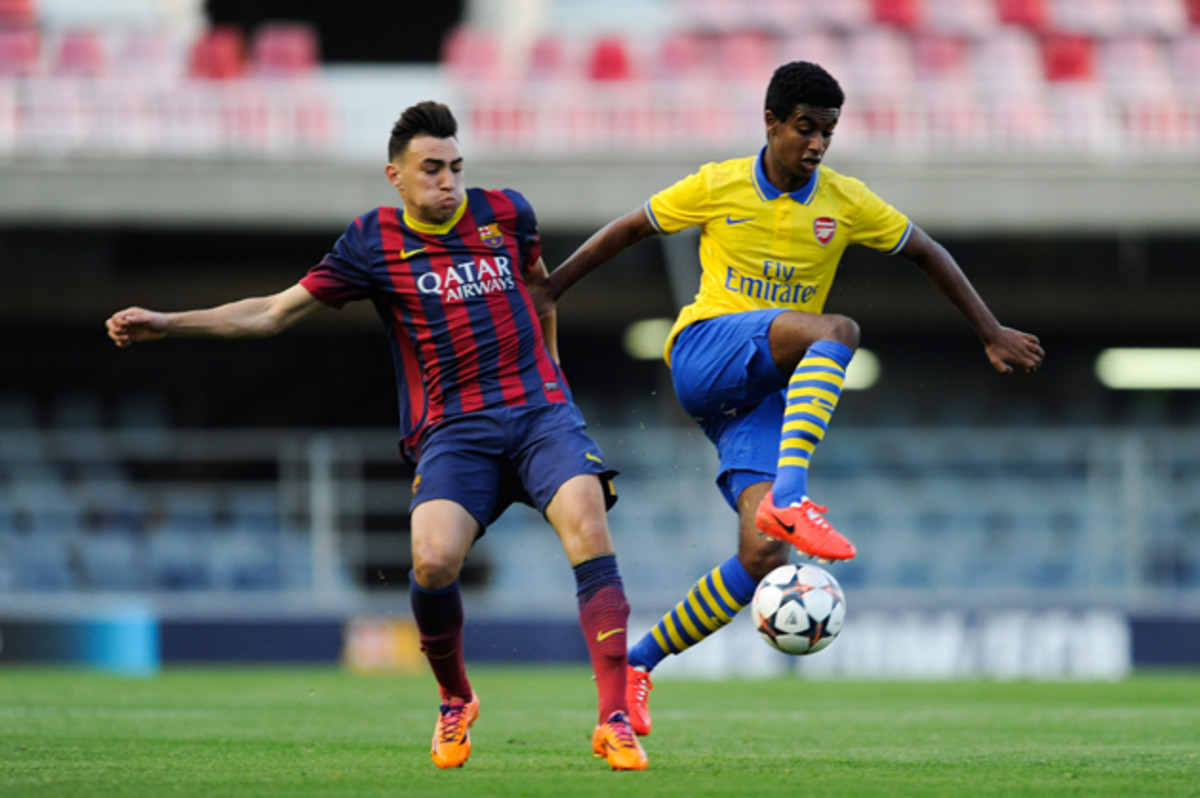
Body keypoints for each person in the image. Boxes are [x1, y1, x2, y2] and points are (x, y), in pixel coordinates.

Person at [105, 101, 648, 771]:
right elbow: (271, 314)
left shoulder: (507, 212)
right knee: (431, 562)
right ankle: (455, 699)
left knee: (590, 531)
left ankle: (613, 717)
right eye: (431, 169)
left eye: (455, 167)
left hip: (540, 415)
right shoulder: (371, 242)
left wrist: (556, 377)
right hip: (455, 431)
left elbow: (541, 295)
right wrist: (169, 321)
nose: (448, 181)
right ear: (396, 175)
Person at [536, 61, 1045, 736]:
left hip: (754, 396)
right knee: (836, 330)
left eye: (828, 132)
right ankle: (793, 495)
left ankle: (637, 666)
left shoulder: (845, 200)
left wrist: (989, 328)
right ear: (771, 123)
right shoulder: (718, 183)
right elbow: (633, 227)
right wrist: (554, 287)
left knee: (762, 556)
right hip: (705, 351)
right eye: (805, 128)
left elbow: (926, 250)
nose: (817, 144)